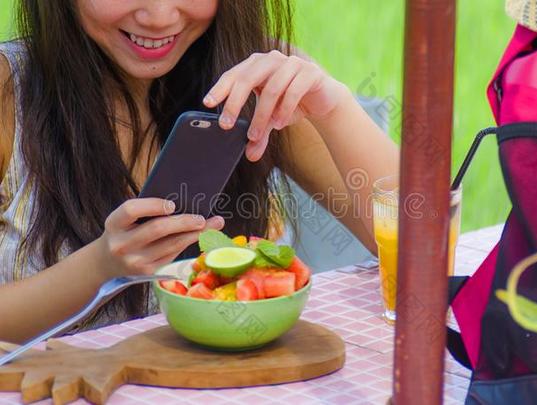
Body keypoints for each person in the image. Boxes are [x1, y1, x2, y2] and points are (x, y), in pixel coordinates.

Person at [0, 1, 398, 342]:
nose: (158, 16)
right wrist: (102, 265)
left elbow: (421, 249)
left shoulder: (259, 81)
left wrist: (335, 110)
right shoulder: (9, 91)